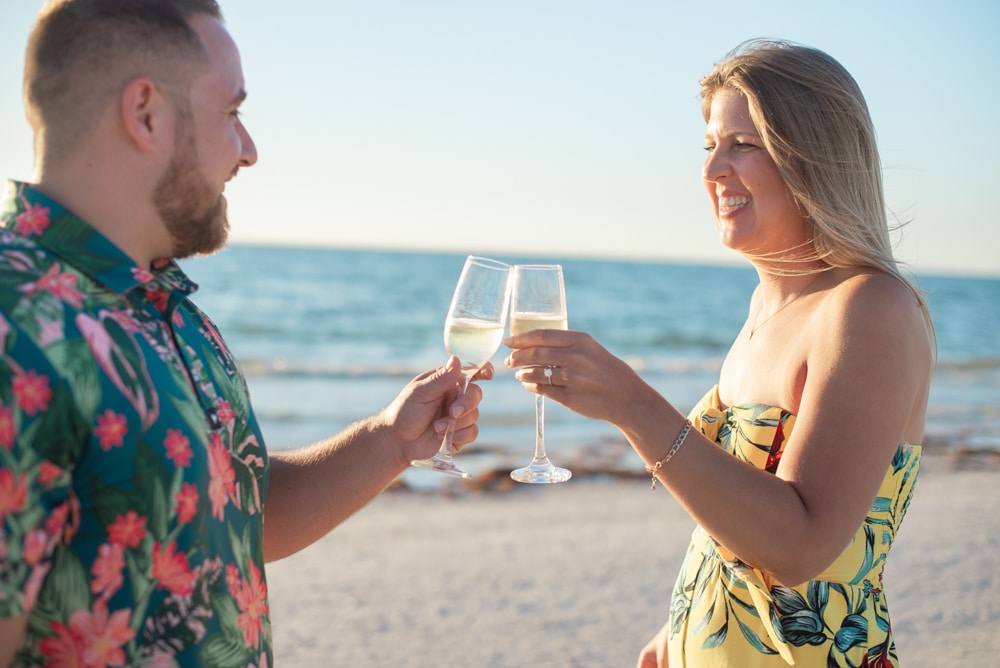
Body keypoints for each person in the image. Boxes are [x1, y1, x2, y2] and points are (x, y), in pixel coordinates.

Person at [0, 1, 489, 665]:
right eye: (232, 113)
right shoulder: (16, 326)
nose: (250, 150)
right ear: (146, 113)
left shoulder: (164, 306)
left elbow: (237, 516)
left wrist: (388, 442)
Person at [506, 39, 935, 667]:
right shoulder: (768, 304)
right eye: (710, 145)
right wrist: (679, 626)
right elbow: (737, 520)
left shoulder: (869, 309)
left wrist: (631, 404)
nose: (712, 171)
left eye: (742, 144)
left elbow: (801, 545)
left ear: (811, 156)